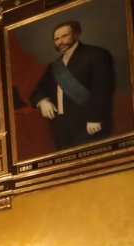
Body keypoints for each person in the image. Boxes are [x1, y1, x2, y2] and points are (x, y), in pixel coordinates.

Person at [29, 20, 116, 151]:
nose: (60, 42)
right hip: (61, 127)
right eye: (56, 39)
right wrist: (42, 101)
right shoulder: (54, 66)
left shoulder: (96, 54)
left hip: (90, 123)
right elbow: (37, 91)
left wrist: (95, 118)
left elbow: (103, 89)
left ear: (76, 35)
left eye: (64, 36)